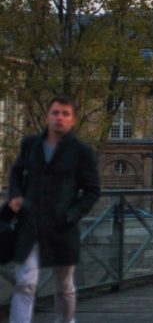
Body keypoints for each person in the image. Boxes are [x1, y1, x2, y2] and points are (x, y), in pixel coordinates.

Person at [7, 96, 101, 323]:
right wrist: (16, 195)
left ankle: (66, 321)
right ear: (47, 116)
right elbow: (16, 173)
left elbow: (92, 190)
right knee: (25, 283)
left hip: (62, 226)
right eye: (55, 113)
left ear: (73, 120)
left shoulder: (81, 151)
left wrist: (72, 215)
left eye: (65, 114)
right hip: (30, 224)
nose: (59, 118)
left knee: (64, 286)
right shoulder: (30, 145)